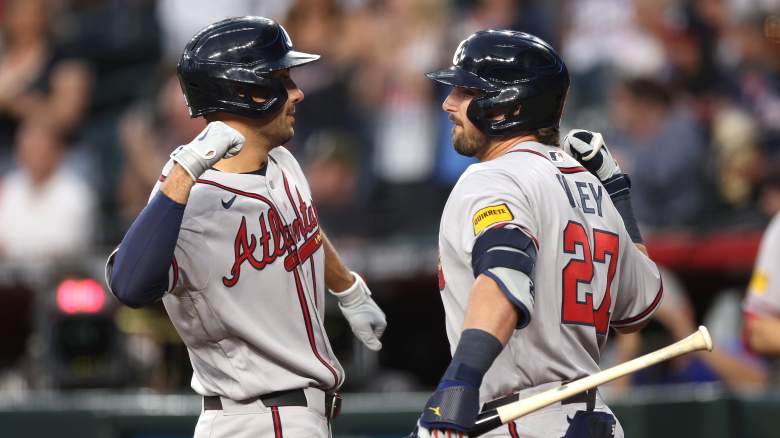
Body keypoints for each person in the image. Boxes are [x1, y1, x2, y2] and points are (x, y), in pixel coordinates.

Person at [104, 17, 386, 438]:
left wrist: (347, 287)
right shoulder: (190, 198)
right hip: (255, 417)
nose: (298, 92)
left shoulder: (283, 161)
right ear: (247, 91)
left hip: (292, 417)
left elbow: (302, 226)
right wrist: (183, 169)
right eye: (282, 79)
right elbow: (128, 285)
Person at [411, 30, 663, 438]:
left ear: (507, 106)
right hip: (592, 419)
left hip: (519, 420)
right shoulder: (591, 186)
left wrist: (460, 383)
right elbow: (640, 307)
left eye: (466, 92)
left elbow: (504, 276)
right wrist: (617, 193)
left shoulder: (492, 178)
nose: (448, 103)